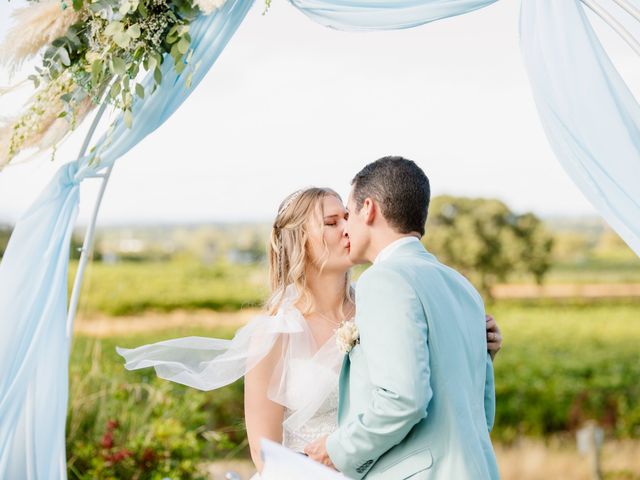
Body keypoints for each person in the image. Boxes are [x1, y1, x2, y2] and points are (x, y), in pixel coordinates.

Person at [117, 185, 502, 475]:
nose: (346, 229)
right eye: (331, 223)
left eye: (345, 218)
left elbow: (418, 388)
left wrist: (478, 346)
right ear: (300, 240)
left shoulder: (382, 306)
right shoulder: (273, 334)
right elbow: (263, 451)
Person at [304, 157, 499, 479]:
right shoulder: (462, 285)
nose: (346, 228)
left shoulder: (385, 280)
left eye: (349, 215)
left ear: (368, 209)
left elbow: (404, 398)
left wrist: (337, 449)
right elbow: (483, 410)